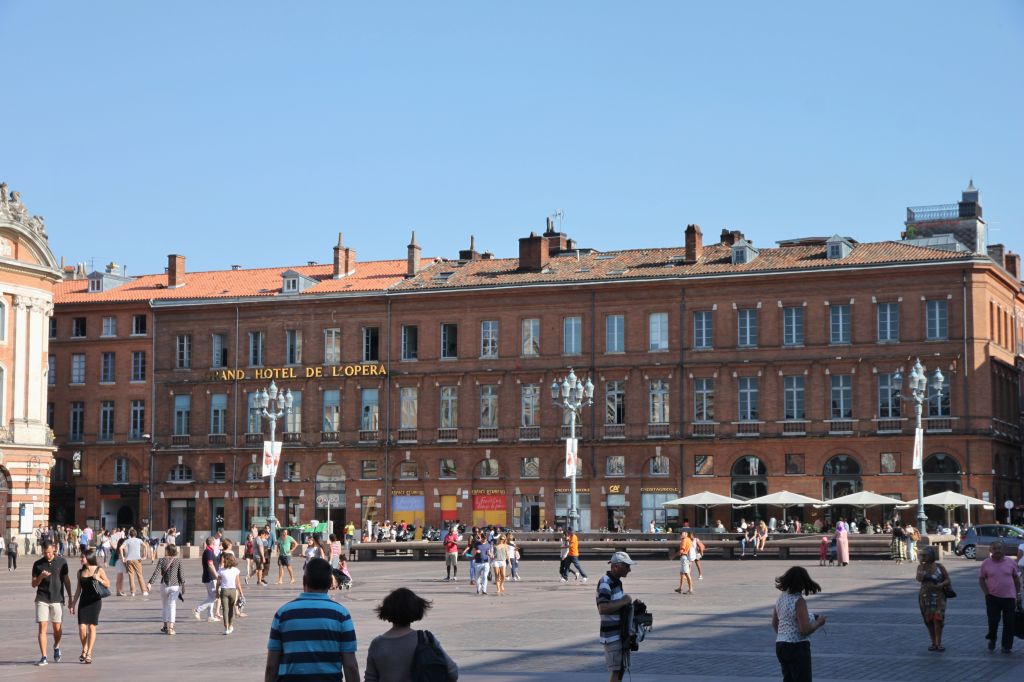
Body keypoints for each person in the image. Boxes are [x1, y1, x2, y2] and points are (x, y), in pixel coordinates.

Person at [265, 558, 359, 682]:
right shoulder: (341, 614)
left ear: (304, 581)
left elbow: (272, 666)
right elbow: (350, 666)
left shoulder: (283, 613)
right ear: (330, 582)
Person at [364, 587, 459, 681]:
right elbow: (452, 673)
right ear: (416, 609)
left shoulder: (378, 644)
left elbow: (370, 679)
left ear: (387, 610)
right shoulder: (425, 640)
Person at [772, 566, 826, 681]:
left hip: (781, 645)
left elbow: (775, 623)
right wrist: (818, 623)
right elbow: (804, 630)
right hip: (797, 647)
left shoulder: (781, 598)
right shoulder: (799, 601)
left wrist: (784, 635)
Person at [31, 541, 73, 666]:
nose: (47, 555)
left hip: (57, 598)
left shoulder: (62, 562)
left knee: (57, 629)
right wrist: (41, 577)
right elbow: (34, 584)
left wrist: (70, 597)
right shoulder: (38, 564)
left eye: (49, 552)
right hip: (42, 598)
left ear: (54, 549)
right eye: (45, 553)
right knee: (42, 627)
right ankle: (44, 656)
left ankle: (56, 646)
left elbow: (66, 580)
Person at [596, 551, 635, 682]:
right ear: (616, 567)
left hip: (620, 634)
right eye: (627, 566)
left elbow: (616, 605)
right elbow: (603, 608)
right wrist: (624, 601)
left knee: (621, 669)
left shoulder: (616, 582)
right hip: (612, 636)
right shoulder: (605, 582)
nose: (629, 569)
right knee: (616, 671)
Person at [978, 540, 1022, 654]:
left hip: (1009, 597)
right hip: (992, 597)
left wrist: (1018, 594)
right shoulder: (986, 563)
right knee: (993, 621)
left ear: (1003, 550)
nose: (997, 551)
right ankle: (992, 639)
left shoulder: (1011, 562)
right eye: (995, 549)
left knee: (1009, 622)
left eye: (999, 548)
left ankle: (1006, 646)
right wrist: (986, 593)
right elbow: (982, 579)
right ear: (990, 551)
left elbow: (1016, 579)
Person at [68, 549, 109, 663]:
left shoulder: (98, 570)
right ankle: (84, 648)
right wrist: (73, 604)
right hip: (84, 601)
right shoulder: (80, 572)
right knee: (81, 627)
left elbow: (107, 584)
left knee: (91, 627)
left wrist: (99, 578)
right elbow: (78, 590)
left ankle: (89, 652)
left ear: (88, 558)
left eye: (82, 557)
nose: (81, 559)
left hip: (95, 602)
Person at [915, 545, 951, 651]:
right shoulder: (921, 567)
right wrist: (921, 564)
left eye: (925, 555)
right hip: (925, 596)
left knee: (938, 619)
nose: (924, 557)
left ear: (931, 555)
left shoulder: (940, 567)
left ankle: (938, 643)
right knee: (928, 620)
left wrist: (941, 585)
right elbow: (919, 578)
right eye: (922, 555)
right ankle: (933, 642)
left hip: (939, 596)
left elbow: (948, 580)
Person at [149, 544, 185, 635]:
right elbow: (181, 574)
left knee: (164, 606)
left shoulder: (162, 560)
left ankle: (165, 626)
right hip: (175, 586)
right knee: (172, 606)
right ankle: (171, 628)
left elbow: (156, 572)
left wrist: (150, 583)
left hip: (164, 585)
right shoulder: (178, 560)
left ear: (167, 551)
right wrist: (183, 585)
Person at [193, 537, 220, 622]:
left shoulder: (209, 551)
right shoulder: (208, 552)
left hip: (209, 576)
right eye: (215, 543)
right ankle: (198, 609)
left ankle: (210, 616)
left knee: (211, 596)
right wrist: (216, 575)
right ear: (213, 543)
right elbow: (210, 564)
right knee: (214, 596)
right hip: (210, 577)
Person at [217, 553, 244, 635]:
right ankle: (231, 624)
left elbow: (218, 582)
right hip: (233, 591)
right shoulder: (236, 570)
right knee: (231, 609)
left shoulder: (221, 570)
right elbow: (238, 583)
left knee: (225, 610)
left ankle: (226, 627)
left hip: (224, 591)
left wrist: (216, 591)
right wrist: (242, 593)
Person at [120, 528, 149, 598]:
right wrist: (145, 555)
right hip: (137, 559)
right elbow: (145, 546)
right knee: (139, 575)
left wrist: (123, 557)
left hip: (129, 559)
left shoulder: (127, 541)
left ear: (130, 534)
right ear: (136, 534)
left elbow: (121, 548)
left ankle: (132, 592)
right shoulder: (139, 540)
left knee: (131, 576)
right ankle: (144, 591)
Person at [674, 530, 695, 595]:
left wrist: (673, 556)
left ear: (686, 534)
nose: (681, 535)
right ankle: (680, 588)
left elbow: (681, 551)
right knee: (682, 573)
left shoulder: (684, 540)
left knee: (687, 574)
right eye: (680, 534)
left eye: (682, 534)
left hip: (684, 558)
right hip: (687, 558)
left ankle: (690, 589)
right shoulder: (688, 539)